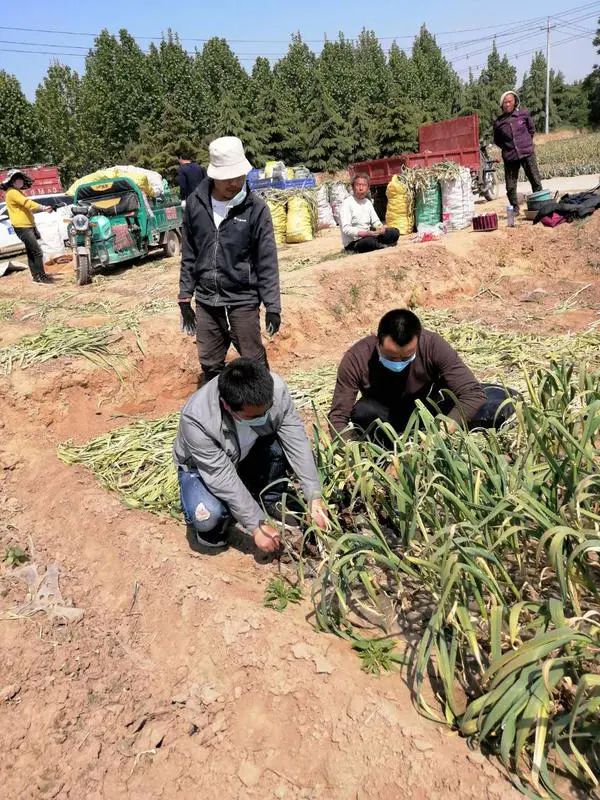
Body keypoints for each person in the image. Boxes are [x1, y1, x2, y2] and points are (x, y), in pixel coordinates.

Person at [173, 358, 329, 551]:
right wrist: (257, 525)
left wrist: (314, 497)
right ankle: (216, 527)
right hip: (203, 469)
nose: (263, 416)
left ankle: (268, 498)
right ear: (228, 407)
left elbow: (295, 440)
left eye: (267, 410)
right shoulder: (197, 420)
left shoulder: (275, 390)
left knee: (277, 446)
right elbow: (220, 476)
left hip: (244, 453)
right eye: (254, 416)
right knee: (210, 516)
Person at [178, 136, 281, 384]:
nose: (235, 183)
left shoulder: (256, 209)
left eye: (239, 176)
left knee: (253, 359)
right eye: (228, 178)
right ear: (214, 175)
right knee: (210, 361)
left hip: (242, 297)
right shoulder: (195, 204)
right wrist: (184, 295)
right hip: (206, 298)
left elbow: (266, 260)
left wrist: (273, 305)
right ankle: (219, 409)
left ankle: (263, 407)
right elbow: (189, 253)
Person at [328, 309, 487, 438]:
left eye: (406, 356)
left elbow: (472, 394)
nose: (398, 363)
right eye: (391, 357)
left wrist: (440, 435)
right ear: (377, 340)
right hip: (383, 417)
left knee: (487, 407)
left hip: (427, 411)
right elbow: (338, 417)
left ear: (419, 339)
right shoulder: (357, 358)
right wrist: (351, 451)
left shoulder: (432, 345)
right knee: (363, 411)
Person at [493, 90, 543, 216]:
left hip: (527, 153)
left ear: (515, 102)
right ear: (501, 105)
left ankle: (540, 205)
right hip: (510, 157)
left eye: (510, 101)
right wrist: (508, 147)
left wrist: (525, 143)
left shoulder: (523, 114)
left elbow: (531, 130)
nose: (507, 104)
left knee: (535, 179)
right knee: (510, 185)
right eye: (505, 102)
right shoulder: (499, 122)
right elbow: (497, 141)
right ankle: (515, 209)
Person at [1, 169, 55, 284]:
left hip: (27, 225)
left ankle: (36, 277)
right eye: (17, 179)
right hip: (22, 227)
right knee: (37, 252)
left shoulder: (17, 192)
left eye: (21, 179)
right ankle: (42, 277)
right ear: (12, 182)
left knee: (31, 252)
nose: (20, 181)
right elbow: (27, 203)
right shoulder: (12, 192)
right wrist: (43, 207)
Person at [340, 174, 399, 253]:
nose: (361, 188)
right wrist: (364, 233)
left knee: (394, 232)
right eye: (358, 185)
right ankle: (382, 245)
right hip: (355, 241)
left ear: (368, 188)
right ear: (353, 187)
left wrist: (381, 228)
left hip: (370, 235)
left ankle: (380, 245)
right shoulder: (347, 203)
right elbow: (346, 228)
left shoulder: (367, 202)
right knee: (369, 242)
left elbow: (375, 221)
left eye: (364, 185)